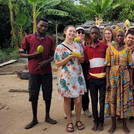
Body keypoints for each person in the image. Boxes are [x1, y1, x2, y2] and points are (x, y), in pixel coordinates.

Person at [19, 17, 57, 129]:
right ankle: (34, 119)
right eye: (41, 25)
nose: (43, 28)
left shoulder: (50, 39)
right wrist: (33, 55)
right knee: (34, 96)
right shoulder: (28, 38)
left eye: (45, 26)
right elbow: (21, 54)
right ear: (37, 25)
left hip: (47, 72)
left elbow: (53, 55)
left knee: (47, 95)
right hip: (34, 72)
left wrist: (47, 61)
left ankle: (47, 116)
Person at [54, 25, 86, 132]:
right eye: (70, 31)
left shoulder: (78, 45)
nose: (72, 33)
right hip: (66, 77)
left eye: (74, 31)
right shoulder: (60, 47)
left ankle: (78, 120)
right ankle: (69, 121)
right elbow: (57, 64)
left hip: (77, 75)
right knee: (67, 100)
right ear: (65, 32)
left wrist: (79, 58)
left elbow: (82, 60)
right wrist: (69, 57)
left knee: (78, 100)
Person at [104, 30, 134, 134]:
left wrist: (131, 81)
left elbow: (130, 66)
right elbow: (107, 66)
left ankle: (125, 125)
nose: (120, 38)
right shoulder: (109, 49)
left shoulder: (127, 51)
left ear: (124, 38)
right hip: (113, 79)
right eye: (118, 36)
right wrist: (107, 82)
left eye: (122, 36)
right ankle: (113, 125)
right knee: (112, 100)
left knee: (124, 100)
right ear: (115, 37)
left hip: (125, 79)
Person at [64, 27, 91, 118]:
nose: (80, 34)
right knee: (72, 90)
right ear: (75, 34)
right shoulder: (72, 44)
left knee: (85, 91)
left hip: (85, 69)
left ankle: (86, 108)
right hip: (74, 71)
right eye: (78, 32)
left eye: (82, 32)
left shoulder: (88, 44)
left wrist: (82, 45)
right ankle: (70, 109)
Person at [84, 26, 108, 131]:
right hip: (92, 79)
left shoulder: (104, 46)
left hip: (103, 78)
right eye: (92, 33)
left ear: (99, 34)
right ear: (90, 34)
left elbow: (108, 63)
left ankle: (101, 122)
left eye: (96, 33)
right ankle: (96, 121)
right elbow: (86, 63)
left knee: (102, 101)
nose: (94, 35)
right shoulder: (86, 48)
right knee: (93, 100)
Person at [125, 29, 134, 121]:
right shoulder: (122, 49)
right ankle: (122, 114)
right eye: (129, 38)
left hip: (132, 75)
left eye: (132, 38)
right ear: (125, 39)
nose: (130, 40)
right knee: (124, 94)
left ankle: (132, 113)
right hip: (123, 75)